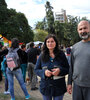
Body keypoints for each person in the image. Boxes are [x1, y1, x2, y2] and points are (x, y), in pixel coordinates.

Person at [35, 34, 69, 100]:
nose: (50, 43)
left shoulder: (61, 54)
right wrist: (44, 72)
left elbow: (67, 69)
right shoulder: (42, 55)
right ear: (45, 43)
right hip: (46, 87)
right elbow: (36, 69)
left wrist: (60, 71)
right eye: (48, 42)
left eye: (52, 41)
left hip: (59, 87)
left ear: (55, 43)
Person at [67, 20, 90, 100]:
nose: (83, 31)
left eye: (85, 28)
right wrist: (69, 83)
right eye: (80, 29)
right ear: (77, 31)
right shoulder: (75, 47)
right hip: (77, 86)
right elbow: (71, 67)